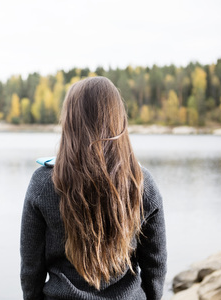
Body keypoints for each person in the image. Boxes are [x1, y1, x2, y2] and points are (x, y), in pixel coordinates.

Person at [20, 76, 167, 300]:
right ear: (119, 120)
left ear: (70, 121)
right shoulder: (141, 183)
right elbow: (155, 267)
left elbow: (31, 271)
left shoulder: (43, 183)